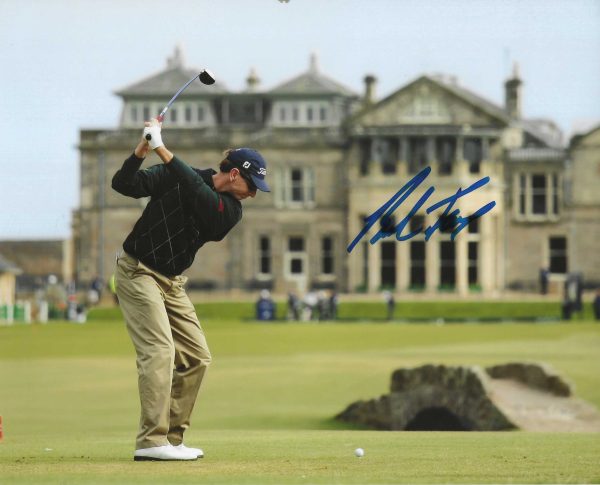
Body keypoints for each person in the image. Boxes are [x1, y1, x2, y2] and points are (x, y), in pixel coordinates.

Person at [112, 118, 270, 461]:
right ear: (234, 174)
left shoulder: (230, 211)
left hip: (171, 283)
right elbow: (124, 184)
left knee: (197, 357)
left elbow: (200, 195)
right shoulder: (175, 175)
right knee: (160, 351)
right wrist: (142, 148)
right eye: (253, 184)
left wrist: (162, 149)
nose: (254, 193)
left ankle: (171, 438)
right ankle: (151, 442)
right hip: (137, 272)